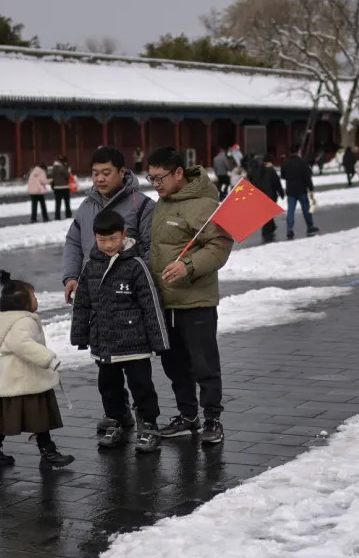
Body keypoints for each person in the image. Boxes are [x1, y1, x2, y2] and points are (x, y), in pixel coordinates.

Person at [146, 147, 233, 445]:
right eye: (151, 178)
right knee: (174, 364)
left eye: (160, 178)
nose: (155, 184)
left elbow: (220, 245)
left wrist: (188, 265)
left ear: (179, 173)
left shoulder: (204, 205)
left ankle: (212, 419)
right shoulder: (162, 204)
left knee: (204, 363)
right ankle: (188, 415)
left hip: (196, 302)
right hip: (165, 302)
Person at [70, 210, 168, 453]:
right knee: (108, 385)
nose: (108, 245)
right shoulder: (91, 266)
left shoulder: (136, 266)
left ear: (124, 235)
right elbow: (82, 303)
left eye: (113, 239)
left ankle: (149, 424)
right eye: (102, 240)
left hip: (134, 343)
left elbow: (151, 303)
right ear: (95, 238)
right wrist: (80, 335)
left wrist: (159, 341)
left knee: (141, 385)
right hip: (104, 343)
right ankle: (117, 419)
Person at [0, 270, 74, 469]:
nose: (36, 299)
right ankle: (47, 452)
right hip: (26, 375)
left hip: (13, 375)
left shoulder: (7, 319)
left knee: (7, 415)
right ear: (23, 303)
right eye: (33, 296)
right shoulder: (24, 321)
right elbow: (22, 344)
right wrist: (48, 359)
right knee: (39, 414)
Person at [63, 146, 155, 305]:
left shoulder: (143, 206)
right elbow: (74, 242)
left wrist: (134, 282)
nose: (99, 179)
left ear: (121, 172)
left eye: (106, 173)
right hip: (91, 294)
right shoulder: (86, 206)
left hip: (128, 298)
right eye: (95, 173)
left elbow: (152, 248)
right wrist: (71, 277)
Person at [280, 144, 319, 239]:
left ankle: (290, 229)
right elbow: (307, 177)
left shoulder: (286, 163)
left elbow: (283, 175)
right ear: (298, 151)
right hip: (301, 189)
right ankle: (310, 226)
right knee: (306, 209)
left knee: (291, 211)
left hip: (290, 190)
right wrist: (311, 188)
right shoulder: (303, 162)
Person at [249, 154, 285, 243]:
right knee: (268, 214)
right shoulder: (270, 170)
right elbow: (276, 183)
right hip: (270, 194)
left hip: (260, 195)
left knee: (266, 213)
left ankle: (271, 227)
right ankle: (267, 232)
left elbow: (252, 181)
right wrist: (281, 193)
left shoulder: (257, 171)